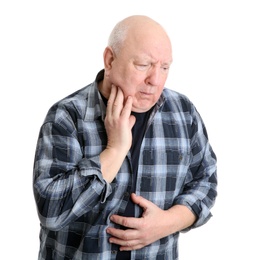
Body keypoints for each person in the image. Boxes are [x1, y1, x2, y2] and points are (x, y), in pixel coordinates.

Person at [33, 15, 217, 260]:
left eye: (164, 67)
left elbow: (206, 181)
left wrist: (168, 222)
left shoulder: (183, 112)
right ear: (110, 60)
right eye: (143, 64)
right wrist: (115, 150)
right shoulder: (67, 116)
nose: (155, 80)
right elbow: (51, 211)